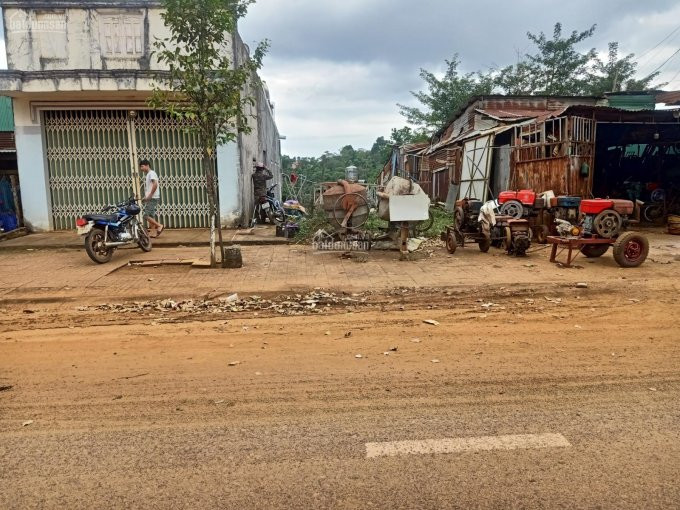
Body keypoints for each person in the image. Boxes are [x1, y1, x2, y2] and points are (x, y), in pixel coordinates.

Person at [140, 159, 164, 237]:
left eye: (142, 166)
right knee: (151, 215)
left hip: (153, 197)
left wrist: (150, 195)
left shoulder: (151, 173)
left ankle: (159, 226)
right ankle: (153, 232)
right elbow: (150, 187)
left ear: (147, 165)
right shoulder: (149, 174)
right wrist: (145, 197)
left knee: (146, 215)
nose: (141, 168)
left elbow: (155, 184)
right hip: (151, 197)